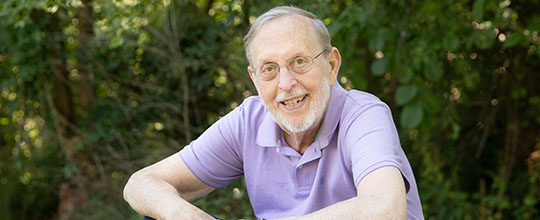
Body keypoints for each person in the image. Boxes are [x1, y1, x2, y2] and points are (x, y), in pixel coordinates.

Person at [123, 5, 424, 220]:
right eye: (269, 69)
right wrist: (183, 214)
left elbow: (385, 209)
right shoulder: (248, 121)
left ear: (331, 66)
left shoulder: (363, 114)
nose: (286, 84)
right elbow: (140, 184)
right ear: (254, 78)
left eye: (300, 62)